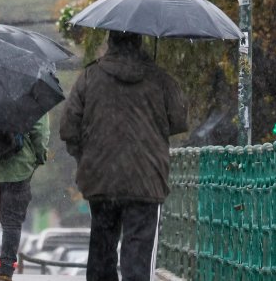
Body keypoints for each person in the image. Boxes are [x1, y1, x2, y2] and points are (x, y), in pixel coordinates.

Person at [59, 31, 188, 281]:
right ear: (140, 43)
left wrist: (85, 157)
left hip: (101, 178)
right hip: (147, 179)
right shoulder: (159, 79)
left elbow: (68, 128)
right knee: (138, 254)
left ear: (110, 42)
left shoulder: (89, 76)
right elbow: (179, 120)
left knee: (102, 248)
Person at [0, 116, 49, 281]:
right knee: (12, 223)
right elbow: (39, 133)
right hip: (20, 169)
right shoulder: (33, 95)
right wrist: (39, 157)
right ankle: (6, 271)